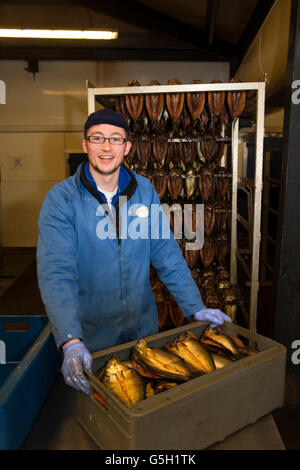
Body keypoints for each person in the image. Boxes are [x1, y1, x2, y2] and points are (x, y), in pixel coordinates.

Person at [37, 108, 231, 395]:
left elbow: (165, 252)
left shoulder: (144, 190)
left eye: (115, 139)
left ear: (127, 147)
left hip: (142, 327)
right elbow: (57, 273)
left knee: (147, 402)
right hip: (91, 332)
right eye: (97, 138)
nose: (106, 147)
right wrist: (70, 339)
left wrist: (195, 306)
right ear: (85, 144)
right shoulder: (61, 200)